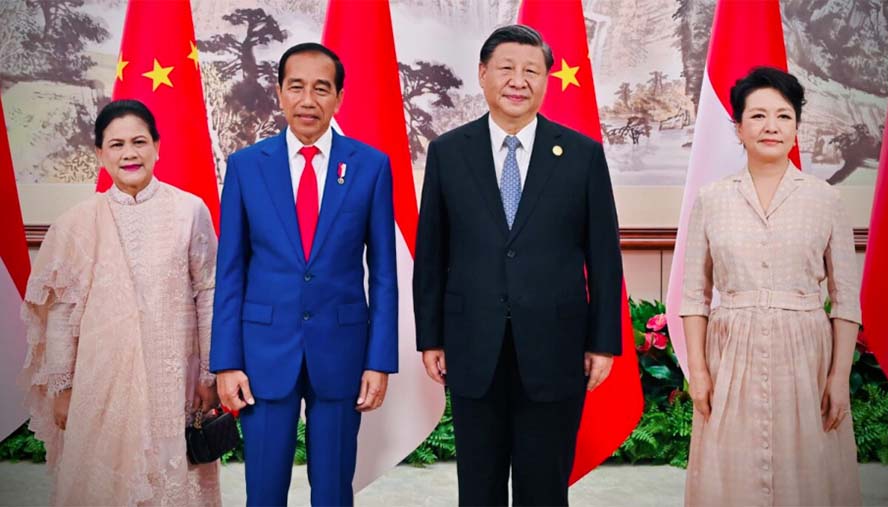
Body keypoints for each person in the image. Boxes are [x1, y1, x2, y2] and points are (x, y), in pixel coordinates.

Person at [413, 25, 624, 506]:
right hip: (472, 345)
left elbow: (604, 257)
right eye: (506, 68)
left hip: (556, 347)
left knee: (544, 488)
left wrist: (603, 342)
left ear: (547, 81)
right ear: (483, 75)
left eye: (532, 70)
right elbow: (432, 254)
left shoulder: (581, 155)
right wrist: (431, 338)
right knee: (479, 487)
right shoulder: (448, 152)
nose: (518, 80)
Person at [210, 42, 398, 507]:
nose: (308, 100)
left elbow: (385, 275)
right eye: (296, 87)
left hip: (342, 351)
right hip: (263, 353)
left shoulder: (370, 167)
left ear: (338, 98)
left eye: (321, 88)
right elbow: (230, 271)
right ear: (279, 93)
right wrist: (226, 361)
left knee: (334, 491)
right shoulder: (246, 167)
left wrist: (379, 361)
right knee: (265, 491)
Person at [19, 99, 221, 506]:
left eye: (139, 141)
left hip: (173, 380)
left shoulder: (188, 211)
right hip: (101, 381)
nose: (129, 153)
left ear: (157, 146)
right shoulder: (78, 222)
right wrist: (63, 387)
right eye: (116, 145)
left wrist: (208, 374)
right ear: (99, 153)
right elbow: (61, 313)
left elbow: (209, 292)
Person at [680, 66, 861, 506]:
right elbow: (693, 296)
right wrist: (699, 373)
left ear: (797, 126)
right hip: (731, 354)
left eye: (783, 116)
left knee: (809, 471)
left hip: (806, 354)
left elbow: (845, 298)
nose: (771, 127)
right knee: (731, 473)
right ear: (738, 127)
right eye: (758, 116)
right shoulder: (712, 198)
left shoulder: (825, 199)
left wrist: (838, 377)